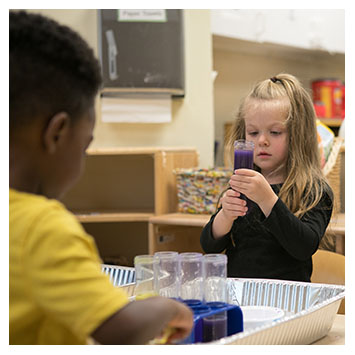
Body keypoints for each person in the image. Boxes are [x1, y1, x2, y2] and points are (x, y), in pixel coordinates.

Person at [9, 10, 193, 345]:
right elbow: (120, 329)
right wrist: (168, 308)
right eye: (85, 145)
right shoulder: (42, 227)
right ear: (57, 134)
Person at [200, 74, 333, 282]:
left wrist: (266, 199)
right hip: (240, 297)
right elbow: (210, 246)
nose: (262, 141)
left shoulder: (314, 190)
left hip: (288, 301)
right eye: (253, 132)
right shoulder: (242, 183)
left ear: (298, 135)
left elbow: (303, 247)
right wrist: (225, 215)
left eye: (275, 132)